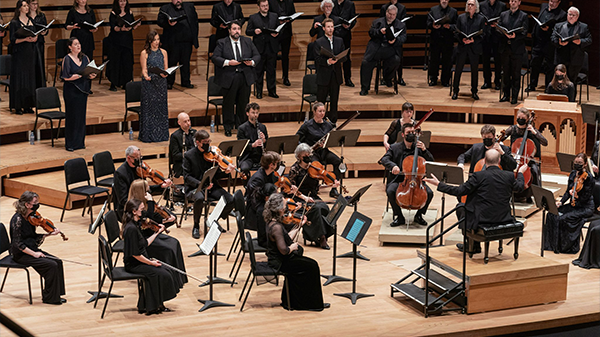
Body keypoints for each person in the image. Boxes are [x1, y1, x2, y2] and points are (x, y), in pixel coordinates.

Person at [424, 150, 527, 253]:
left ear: (485, 161)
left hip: (483, 219)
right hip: (504, 217)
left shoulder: (478, 176)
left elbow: (459, 191)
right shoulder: (508, 176)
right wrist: (521, 173)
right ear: (499, 160)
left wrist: (439, 184)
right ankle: (473, 245)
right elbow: (520, 186)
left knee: (461, 207)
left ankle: (472, 245)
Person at [264, 193, 329, 311]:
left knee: (307, 263)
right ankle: (312, 304)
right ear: (279, 208)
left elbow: (286, 238)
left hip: (280, 259)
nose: (287, 207)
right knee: (312, 266)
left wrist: (299, 226)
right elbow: (284, 250)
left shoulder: (273, 222)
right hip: (280, 262)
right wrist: (293, 248)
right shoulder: (276, 227)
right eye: (284, 205)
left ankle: (295, 300)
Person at [121, 199, 179, 315]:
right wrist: (150, 263)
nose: (144, 212)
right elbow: (135, 254)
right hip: (134, 264)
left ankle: (152, 304)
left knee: (166, 269)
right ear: (134, 211)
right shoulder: (131, 229)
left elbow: (145, 243)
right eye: (141, 209)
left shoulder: (136, 224)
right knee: (162, 274)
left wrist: (156, 233)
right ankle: (153, 306)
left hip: (140, 260)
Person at [10, 191, 66, 305]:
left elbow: (33, 237)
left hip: (31, 249)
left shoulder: (31, 217)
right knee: (51, 265)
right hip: (21, 254)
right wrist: (34, 254)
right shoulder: (17, 220)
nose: (38, 204)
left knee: (57, 262)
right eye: (35, 202)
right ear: (27, 205)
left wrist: (48, 234)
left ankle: (54, 295)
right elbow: (18, 244)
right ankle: (50, 298)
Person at [127, 180, 187, 287]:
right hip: (144, 240)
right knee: (168, 249)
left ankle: (178, 279)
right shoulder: (135, 207)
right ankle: (170, 279)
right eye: (146, 189)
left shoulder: (142, 204)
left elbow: (153, 220)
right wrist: (150, 202)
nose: (148, 190)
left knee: (175, 243)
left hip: (151, 234)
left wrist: (166, 220)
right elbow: (148, 217)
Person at [183, 130, 236, 239]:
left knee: (230, 200)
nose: (208, 144)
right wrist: (202, 184)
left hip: (212, 186)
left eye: (209, 141)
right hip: (195, 187)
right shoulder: (189, 155)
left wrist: (225, 172)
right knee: (199, 199)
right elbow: (187, 177)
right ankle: (196, 226)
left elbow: (216, 175)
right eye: (205, 142)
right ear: (198, 142)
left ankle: (213, 219)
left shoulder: (212, 155)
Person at [380, 123, 434, 227]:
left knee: (430, 193)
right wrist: (393, 166)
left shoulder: (419, 147)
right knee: (391, 191)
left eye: (413, 132)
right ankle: (399, 217)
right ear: (403, 135)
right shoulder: (395, 148)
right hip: (399, 180)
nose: (411, 134)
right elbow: (384, 159)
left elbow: (431, 161)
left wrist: (424, 150)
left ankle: (419, 216)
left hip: (417, 180)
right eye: (408, 133)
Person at [212, 21, 261, 137]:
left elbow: (257, 55)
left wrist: (252, 62)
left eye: (238, 28)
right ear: (229, 30)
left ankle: (242, 127)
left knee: (243, 103)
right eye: (234, 29)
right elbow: (215, 57)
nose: (236, 31)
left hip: (244, 76)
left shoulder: (247, 41)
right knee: (228, 103)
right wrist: (228, 62)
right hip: (230, 76)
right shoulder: (222, 42)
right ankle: (228, 127)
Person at [288, 143, 337, 249]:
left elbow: (317, 187)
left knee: (324, 207)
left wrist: (330, 185)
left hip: (312, 196)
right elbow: (291, 190)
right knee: (316, 209)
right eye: (305, 155)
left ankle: (324, 235)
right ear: (299, 157)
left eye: (309, 154)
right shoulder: (294, 170)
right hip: (299, 197)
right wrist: (304, 197)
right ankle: (320, 237)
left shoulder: (313, 168)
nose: (308, 157)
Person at [544, 153, 594, 254]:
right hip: (574, 205)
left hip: (585, 207)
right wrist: (561, 202)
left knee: (563, 218)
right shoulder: (572, 174)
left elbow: (585, 198)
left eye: (580, 163)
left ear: (585, 164)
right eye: (576, 162)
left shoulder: (589, 178)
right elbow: (567, 192)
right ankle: (552, 245)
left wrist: (576, 196)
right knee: (552, 213)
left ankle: (565, 247)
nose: (577, 165)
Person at [296, 102, 342, 198]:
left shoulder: (328, 125)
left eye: (323, 111)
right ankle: (313, 188)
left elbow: (331, 140)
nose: (322, 113)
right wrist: (305, 149)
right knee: (315, 167)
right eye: (320, 111)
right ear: (314, 112)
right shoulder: (307, 125)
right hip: (312, 153)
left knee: (338, 162)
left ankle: (334, 189)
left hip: (324, 151)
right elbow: (297, 139)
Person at [113, 145, 173, 220]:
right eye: (137, 158)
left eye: (140, 157)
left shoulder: (141, 169)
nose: (140, 160)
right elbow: (123, 200)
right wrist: (141, 208)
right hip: (130, 210)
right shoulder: (120, 173)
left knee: (172, 218)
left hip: (143, 206)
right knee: (160, 219)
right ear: (129, 158)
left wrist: (161, 186)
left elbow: (145, 189)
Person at [359, 5, 406, 96]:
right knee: (366, 63)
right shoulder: (377, 22)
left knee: (396, 60)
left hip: (390, 49)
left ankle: (387, 78)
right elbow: (371, 33)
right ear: (386, 13)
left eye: (393, 15)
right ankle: (365, 88)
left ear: (396, 15)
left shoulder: (401, 25)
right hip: (376, 49)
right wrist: (379, 32)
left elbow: (403, 38)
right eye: (389, 14)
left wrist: (395, 41)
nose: (391, 16)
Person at [503, 107, 547, 202]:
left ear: (527, 119)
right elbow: (500, 140)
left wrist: (534, 132)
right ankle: (508, 193)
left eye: (523, 118)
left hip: (528, 160)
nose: (520, 120)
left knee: (534, 170)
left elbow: (545, 142)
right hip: (515, 158)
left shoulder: (531, 129)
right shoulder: (513, 129)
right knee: (505, 169)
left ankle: (534, 196)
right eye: (519, 117)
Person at [61, 37, 96, 151]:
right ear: (70, 47)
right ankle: (70, 144)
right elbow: (65, 77)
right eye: (75, 44)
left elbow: (90, 72)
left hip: (83, 90)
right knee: (72, 117)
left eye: (79, 43)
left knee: (81, 117)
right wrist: (74, 77)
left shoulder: (85, 58)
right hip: (71, 91)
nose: (78, 46)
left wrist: (92, 75)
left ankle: (80, 143)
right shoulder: (67, 59)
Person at [157, 0, 198, 90]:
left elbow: (195, 22)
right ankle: (169, 82)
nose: (178, 1)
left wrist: (194, 38)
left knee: (185, 63)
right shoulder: (165, 8)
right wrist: (168, 23)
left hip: (187, 41)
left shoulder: (189, 6)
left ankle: (186, 82)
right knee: (172, 62)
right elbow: (159, 21)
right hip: (173, 42)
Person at [526, 0, 566, 92]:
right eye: (550, 1)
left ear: (559, 2)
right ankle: (532, 85)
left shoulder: (562, 14)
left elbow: (559, 31)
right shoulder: (543, 6)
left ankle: (548, 87)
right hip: (538, 43)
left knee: (549, 67)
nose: (551, 3)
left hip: (549, 45)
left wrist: (548, 29)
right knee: (534, 64)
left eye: (554, 2)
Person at [551, 6, 592, 93]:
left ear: (577, 16)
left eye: (574, 15)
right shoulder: (559, 26)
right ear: (567, 15)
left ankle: (571, 100)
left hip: (575, 59)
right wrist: (559, 43)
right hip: (561, 58)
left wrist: (580, 41)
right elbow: (553, 38)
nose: (571, 16)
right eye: (570, 14)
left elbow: (589, 40)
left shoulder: (584, 27)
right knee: (559, 81)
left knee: (572, 82)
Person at [245, 151, 281, 247]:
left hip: (264, 201)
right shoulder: (258, 178)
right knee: (264, 211)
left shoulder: (270, 174)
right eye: (277, 163)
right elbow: (254, 199)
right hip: (255, 206)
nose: (278, 165)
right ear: (271, 165)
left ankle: (277, 235)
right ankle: (263, 239)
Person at [452, 0, 485, 101]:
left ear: (476, 7)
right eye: (468, 4)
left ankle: (474, 91)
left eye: (472, 5)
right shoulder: (461, 17)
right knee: (458, 70)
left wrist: (473, 40)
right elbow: (456, 32)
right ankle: (455, 91)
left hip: (474, 48)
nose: (470, 6)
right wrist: (462, 39)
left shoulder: (481, 19)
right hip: (462, 47)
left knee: (474, 71)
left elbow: (483, 35)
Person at [139, 31, 169, 143]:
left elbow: (165, 68)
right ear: (150, 41)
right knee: (149, 109)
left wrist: (165, 73)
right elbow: (144, 69)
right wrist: (146, 76)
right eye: (154, 40)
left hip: (160, 83)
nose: (157, 42)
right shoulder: (144, 53)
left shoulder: (163, 52)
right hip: (149, 83)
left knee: (160, 108)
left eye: (158, 39)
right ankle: (148, 135)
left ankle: (161, 135)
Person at [246, 0, 280, 99]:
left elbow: (279, 29)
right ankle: (259, 92)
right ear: (258, 7)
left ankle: (272, 91)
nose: (265, 7)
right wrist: (254, 31)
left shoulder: (274, 16)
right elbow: (248, 31)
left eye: (267, 5)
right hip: (259, 49)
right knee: (259, 71)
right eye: (263, 6)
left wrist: (277, 33)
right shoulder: (253, 17)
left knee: (271, 71)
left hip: (271, 48)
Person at [314, 18, 346, 123]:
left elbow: (345, 57)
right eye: (328, 27)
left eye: (332, 27)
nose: (330, 29)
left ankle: (333, 123)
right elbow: (317, 60)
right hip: (323, 76)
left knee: (334, 102)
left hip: (335, 75)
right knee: (321, 102)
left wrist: (339, 58)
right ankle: (319, 123)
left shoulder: (339, 40)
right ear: (323, 28)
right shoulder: (319, 42)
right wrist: (327, 62)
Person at [9, 0, 37, 115]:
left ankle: (28, 105)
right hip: (19, 54)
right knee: (20, 79)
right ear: (19, 8)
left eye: (27, 6)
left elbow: (35, 36)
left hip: (29, 52)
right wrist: (25, 39)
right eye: (24, 6)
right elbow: (12, 40)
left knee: (29, 78)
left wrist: (35, 39)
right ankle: (18, 106)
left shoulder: (31, 21)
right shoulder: (14, 23)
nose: (27, 8)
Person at [498, 0, 529, 105]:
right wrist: (504, 34)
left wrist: (515, 36)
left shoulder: (523, 16)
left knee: (516, 74)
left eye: (515, 1)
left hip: (517, 49)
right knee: (506, 73)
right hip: (505, 48)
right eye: (511, 1)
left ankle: (514, 96)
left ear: (519, 2)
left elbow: (525, 32)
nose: (513, 3)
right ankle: (506, 95)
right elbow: (499, 28)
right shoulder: (503, 14)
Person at [107, 0, 139, 91]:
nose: (122, 3)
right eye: (120, 1)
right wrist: (121, 29)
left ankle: (126, 82)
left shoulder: (130, 12)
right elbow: (113, 27)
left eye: (124, 1)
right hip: (116, 41)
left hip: (127, 41)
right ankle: (113, 83)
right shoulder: (113, 13)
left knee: (127, 62)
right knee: (115, 62)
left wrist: (134, 26)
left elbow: (131, 25)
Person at [427, 0, 458, 87]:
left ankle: (445, 80)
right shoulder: (433, 10)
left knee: (447, 60)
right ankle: (433, 79)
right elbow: (428, 23)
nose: (444, 1)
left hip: (448, 40)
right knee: (434, 59)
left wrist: (450, 26)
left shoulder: (453, 11)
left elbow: (457, 25)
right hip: (435, 39)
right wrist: (433, 25)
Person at [379, 0, 407, 85]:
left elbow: (403, 23)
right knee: (386, 58)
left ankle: (400, 77)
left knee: (398, 57)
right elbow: (381, 22)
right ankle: (385, 78)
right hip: (386, 38)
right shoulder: (384, 7)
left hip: (397, 34)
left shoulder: (402, 7)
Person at [268, 0, 296, 86]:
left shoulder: (290, 1)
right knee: (273, 55)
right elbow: (268, 16)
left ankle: (285, 77)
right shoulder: (271, 2)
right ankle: (272, 78)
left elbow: (293, 14)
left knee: (285, 56)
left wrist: (288, 20)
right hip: (275, 32)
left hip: (286, 32)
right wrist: (277, 21)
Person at [479, 0, 506, 90]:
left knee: (498, 60)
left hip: (497, 37)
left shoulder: (502, 5)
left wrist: (497, 24)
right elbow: (479, 18)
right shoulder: (482, 5)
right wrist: (484, 23)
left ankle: (497, 81)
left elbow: (504, 20)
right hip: (486, 37)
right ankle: (487, 81)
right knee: (485, 60)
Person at [237, 102, 269, 177]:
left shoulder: (262, 127)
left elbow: (268, 144)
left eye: (257, 113)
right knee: (244, 168)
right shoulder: (242, 128)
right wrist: (253, 145)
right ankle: (248, 186)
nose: (255, 115)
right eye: (253, 113)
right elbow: (240, 146)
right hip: (248, 157)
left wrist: (264, 140)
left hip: (260, 156)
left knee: (273, 164)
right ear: (247, 113)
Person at [332, 0, 356, 87]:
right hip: (333, 34)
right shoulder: (331, 2)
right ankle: (334, 78)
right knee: (333, 56)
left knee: (346, 57)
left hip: (345, 35)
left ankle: (347, 78)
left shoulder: (350, 4)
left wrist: (349, 25)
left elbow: (354, 19)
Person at [169, 112, 196, 178]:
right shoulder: (175, 136)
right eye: (185, 121)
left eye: (189, 120)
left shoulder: (194, 133)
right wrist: (190, 155)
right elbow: (176, 155)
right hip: (181, 164)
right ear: (179, 123)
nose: (188, 123)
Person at [29, 0, 48, 89]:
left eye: (36, 4)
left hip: (39, 42)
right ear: (29, 4)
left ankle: (40, 85)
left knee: (39, 63)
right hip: (29, 42)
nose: (35, 6)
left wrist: (45, 32)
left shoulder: (41, 15)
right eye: (33, 4)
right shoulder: (26, 16)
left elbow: (45, 28)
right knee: (30, 64)